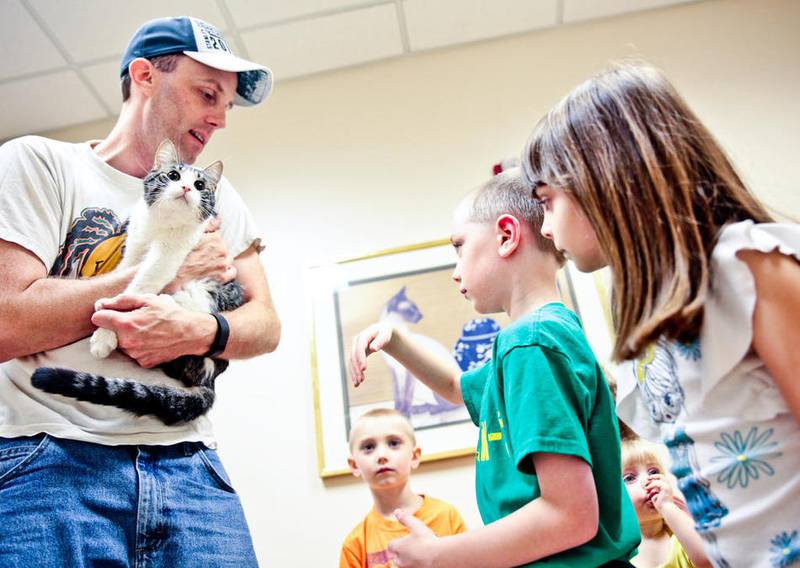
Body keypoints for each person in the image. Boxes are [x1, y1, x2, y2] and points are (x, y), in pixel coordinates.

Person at [0, 16, 280, 566]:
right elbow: (8, 322)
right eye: (208, 94)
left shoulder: (217, 198)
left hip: (189, 464)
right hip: (49, 455)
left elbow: (266, 325)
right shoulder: (38, 164)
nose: (220, 118)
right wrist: (164, 271)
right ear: (145, 75)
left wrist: (205, 329)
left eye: (227, 105)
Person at [521, 62, 800, 567]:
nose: (544, 227)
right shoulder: (653, 323)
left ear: (604, 180)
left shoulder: (749, 265)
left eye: (548, 202)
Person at [349, 170, 640, 567]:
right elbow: (455, 385)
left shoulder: (531, 344)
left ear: (506, 235)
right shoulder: (531, 341)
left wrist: (441, 555)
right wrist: (395, 339)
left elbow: (571, 516)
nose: (455, 271)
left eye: (459, 246)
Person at [339, 408, 467, 567]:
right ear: (354, 465)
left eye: (393, 443)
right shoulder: (355, 544)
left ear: (414, 456)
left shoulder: (447, 516)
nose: (381, 456)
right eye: (369, 447)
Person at [621, 439, 711, 568]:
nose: (648, 480)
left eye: (654, 472)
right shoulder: (616, 552)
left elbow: (710, 559)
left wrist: (667, 506)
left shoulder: (683, 536)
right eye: (629, 478)